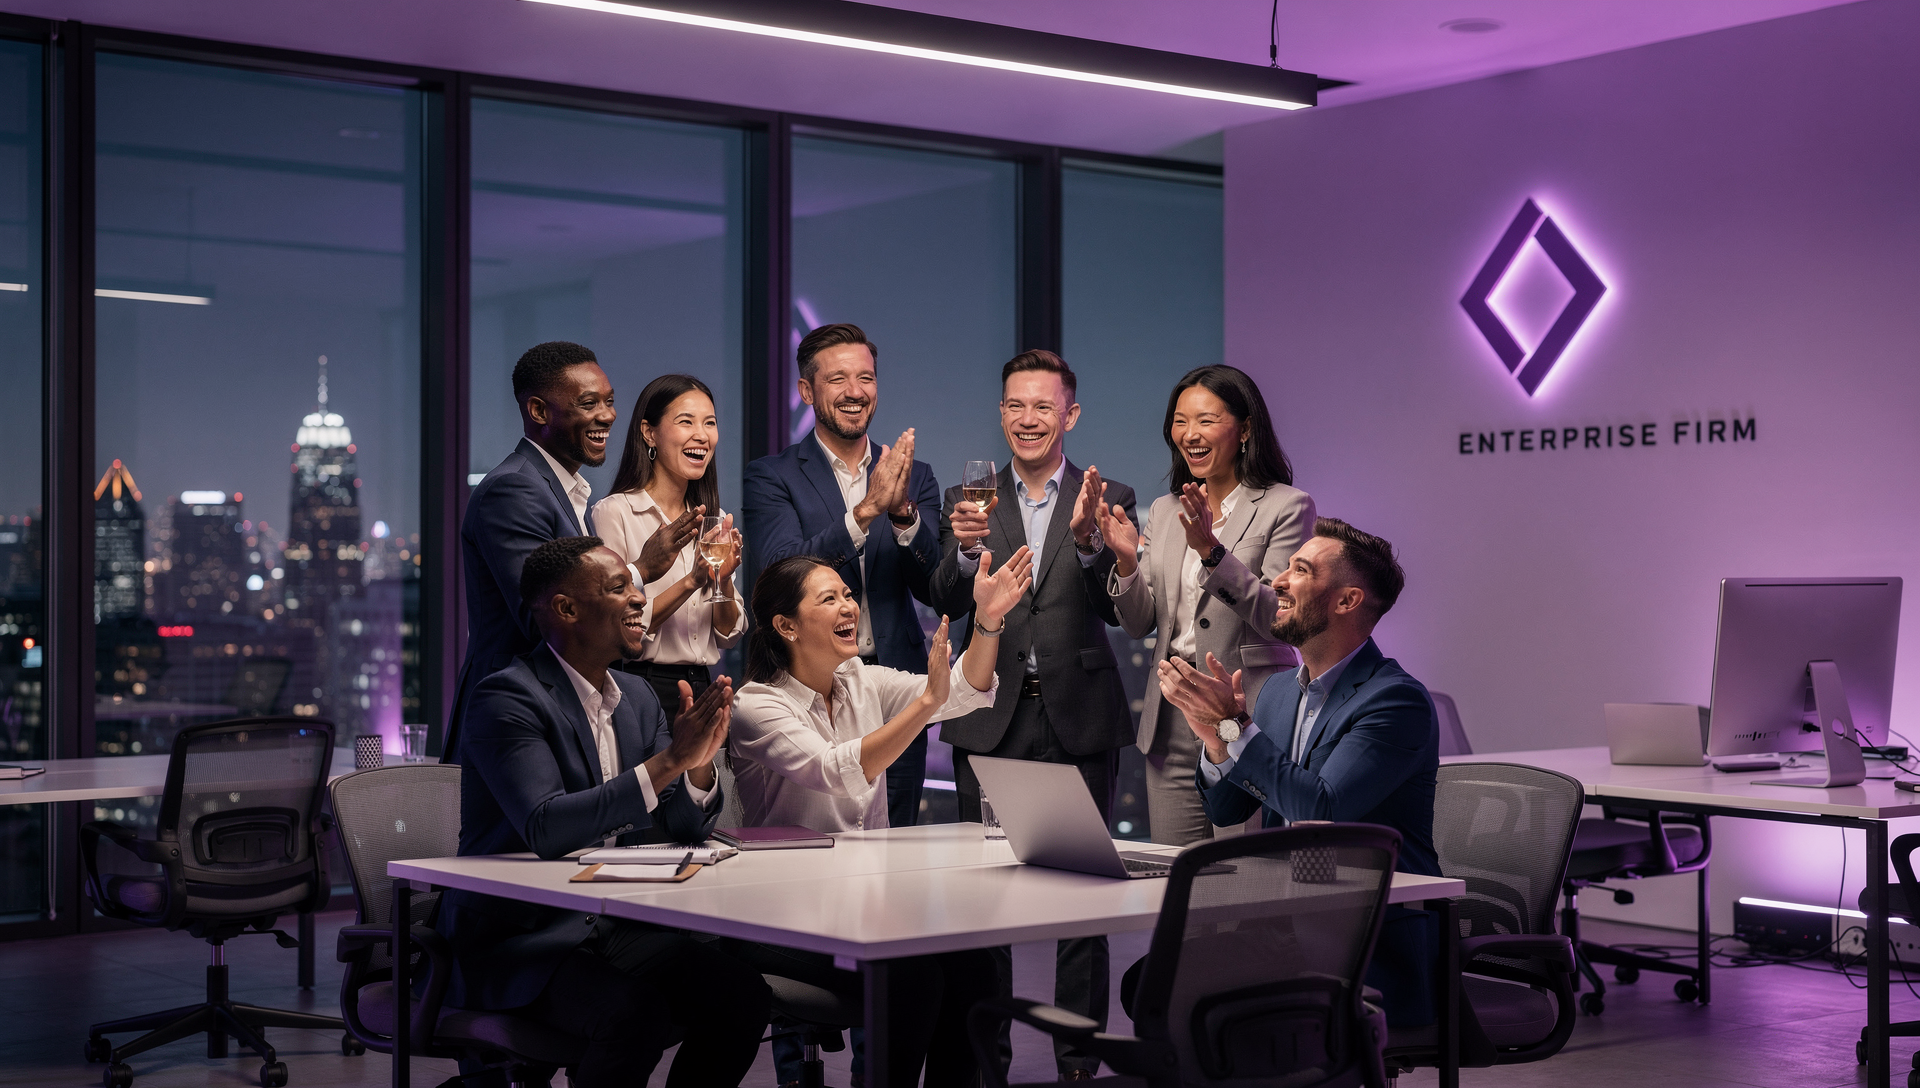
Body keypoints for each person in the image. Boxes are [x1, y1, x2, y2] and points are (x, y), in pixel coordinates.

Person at [438, 536, 770, 1087]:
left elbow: (679, 828)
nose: (640, 599)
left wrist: (699, 768)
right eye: (620, 588)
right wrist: (668, 762)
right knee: (632, 1016)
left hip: (610, 924)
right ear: (567, 609)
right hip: (522, 939)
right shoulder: (507, 697)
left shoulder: (637, 699)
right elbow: (547, 827)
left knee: (740, 994)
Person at [729, 549, 1032, 1088]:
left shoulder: (859, 680)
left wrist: (985, 622)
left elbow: (960, 693)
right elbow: (836, 768)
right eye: (830, 599)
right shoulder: (758, 704)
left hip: (863, 904)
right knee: (914, 975)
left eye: (848, 594)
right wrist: (923, 705)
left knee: (975, 964)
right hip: (780, 912)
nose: (849, 605)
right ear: (786, 626)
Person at [930, 349, 1137, 1081]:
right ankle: (988, 1061)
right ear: (1001, 413)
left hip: (1078, 715)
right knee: (985, 899)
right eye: (1015, 405)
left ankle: (1079, 1062)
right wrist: (960, 553)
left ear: (1069, 416)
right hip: (992, 716)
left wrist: (1090, 547)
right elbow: (947, 597)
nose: (1027, 419)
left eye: (1042, 407)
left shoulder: (1109, 494)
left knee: (1082, 899)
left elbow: (1120, 608)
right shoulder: (971, 497)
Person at [1156, 516, 1440, 1028]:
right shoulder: (1282, 690)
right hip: (1285, 918)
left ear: (1347, 601)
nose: (1277, 582)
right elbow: (1229, 807)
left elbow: (1321, 808)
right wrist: (1213, 738)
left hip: (1367, 936)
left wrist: (1236, 724)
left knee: (1191, 1000)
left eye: (1300, 570)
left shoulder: (1395, 701)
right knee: (1156, 983)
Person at [1100, 364, 1315, 847]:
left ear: (1245, 430)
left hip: (1245, 710)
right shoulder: (1162, 510)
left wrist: (1211, 552)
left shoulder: (1286, 507)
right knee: (1176, 873)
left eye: (1206, 420)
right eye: (1180, 421)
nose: (1190, 434)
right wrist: (1127, 561)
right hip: (1171, 713)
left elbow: (1278, 618)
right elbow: (1137, 625)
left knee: (1238, 875)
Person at [743, 322, 943, 830]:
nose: (855, 392)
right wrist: (866, 511)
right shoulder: (772, 476)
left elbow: (935, 586)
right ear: (806, 390)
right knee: (814, 837)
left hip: (888, 689)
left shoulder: (915, 476)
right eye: (838, 379)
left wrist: (904, 519)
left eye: (866, 378)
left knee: (894, 848)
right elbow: (777, 569)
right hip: (803, 695)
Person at [445, 340, 618, 763]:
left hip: (553, 710)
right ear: (539, 412)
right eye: (589, 403)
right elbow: (539, 617)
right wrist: (641, 570)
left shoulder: (566, 493)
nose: (607, 415)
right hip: (512, 716)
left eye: (610, 401)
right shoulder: (514, 488)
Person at [593, 373, 745, 712]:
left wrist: (722, 581)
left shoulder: (714, 518)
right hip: (636, 687)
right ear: (649, 433)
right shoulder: (615, 512)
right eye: (686, 422)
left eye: (710, 423)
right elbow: (613, 622)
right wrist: (692, 581)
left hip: (704, 685)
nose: (702, 435)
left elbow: (728, 634)